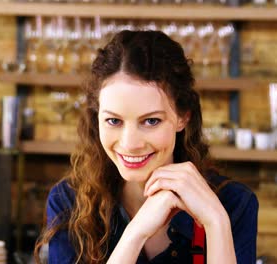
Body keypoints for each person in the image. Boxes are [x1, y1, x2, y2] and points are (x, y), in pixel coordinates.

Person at [34, 30, 258, 264]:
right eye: (114, 121)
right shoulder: (69, 202)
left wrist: (216, 221)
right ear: (97, 117)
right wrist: (135, 233)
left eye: (151, 121)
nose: (130, 144)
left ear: (183, 117)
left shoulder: (233, 203)